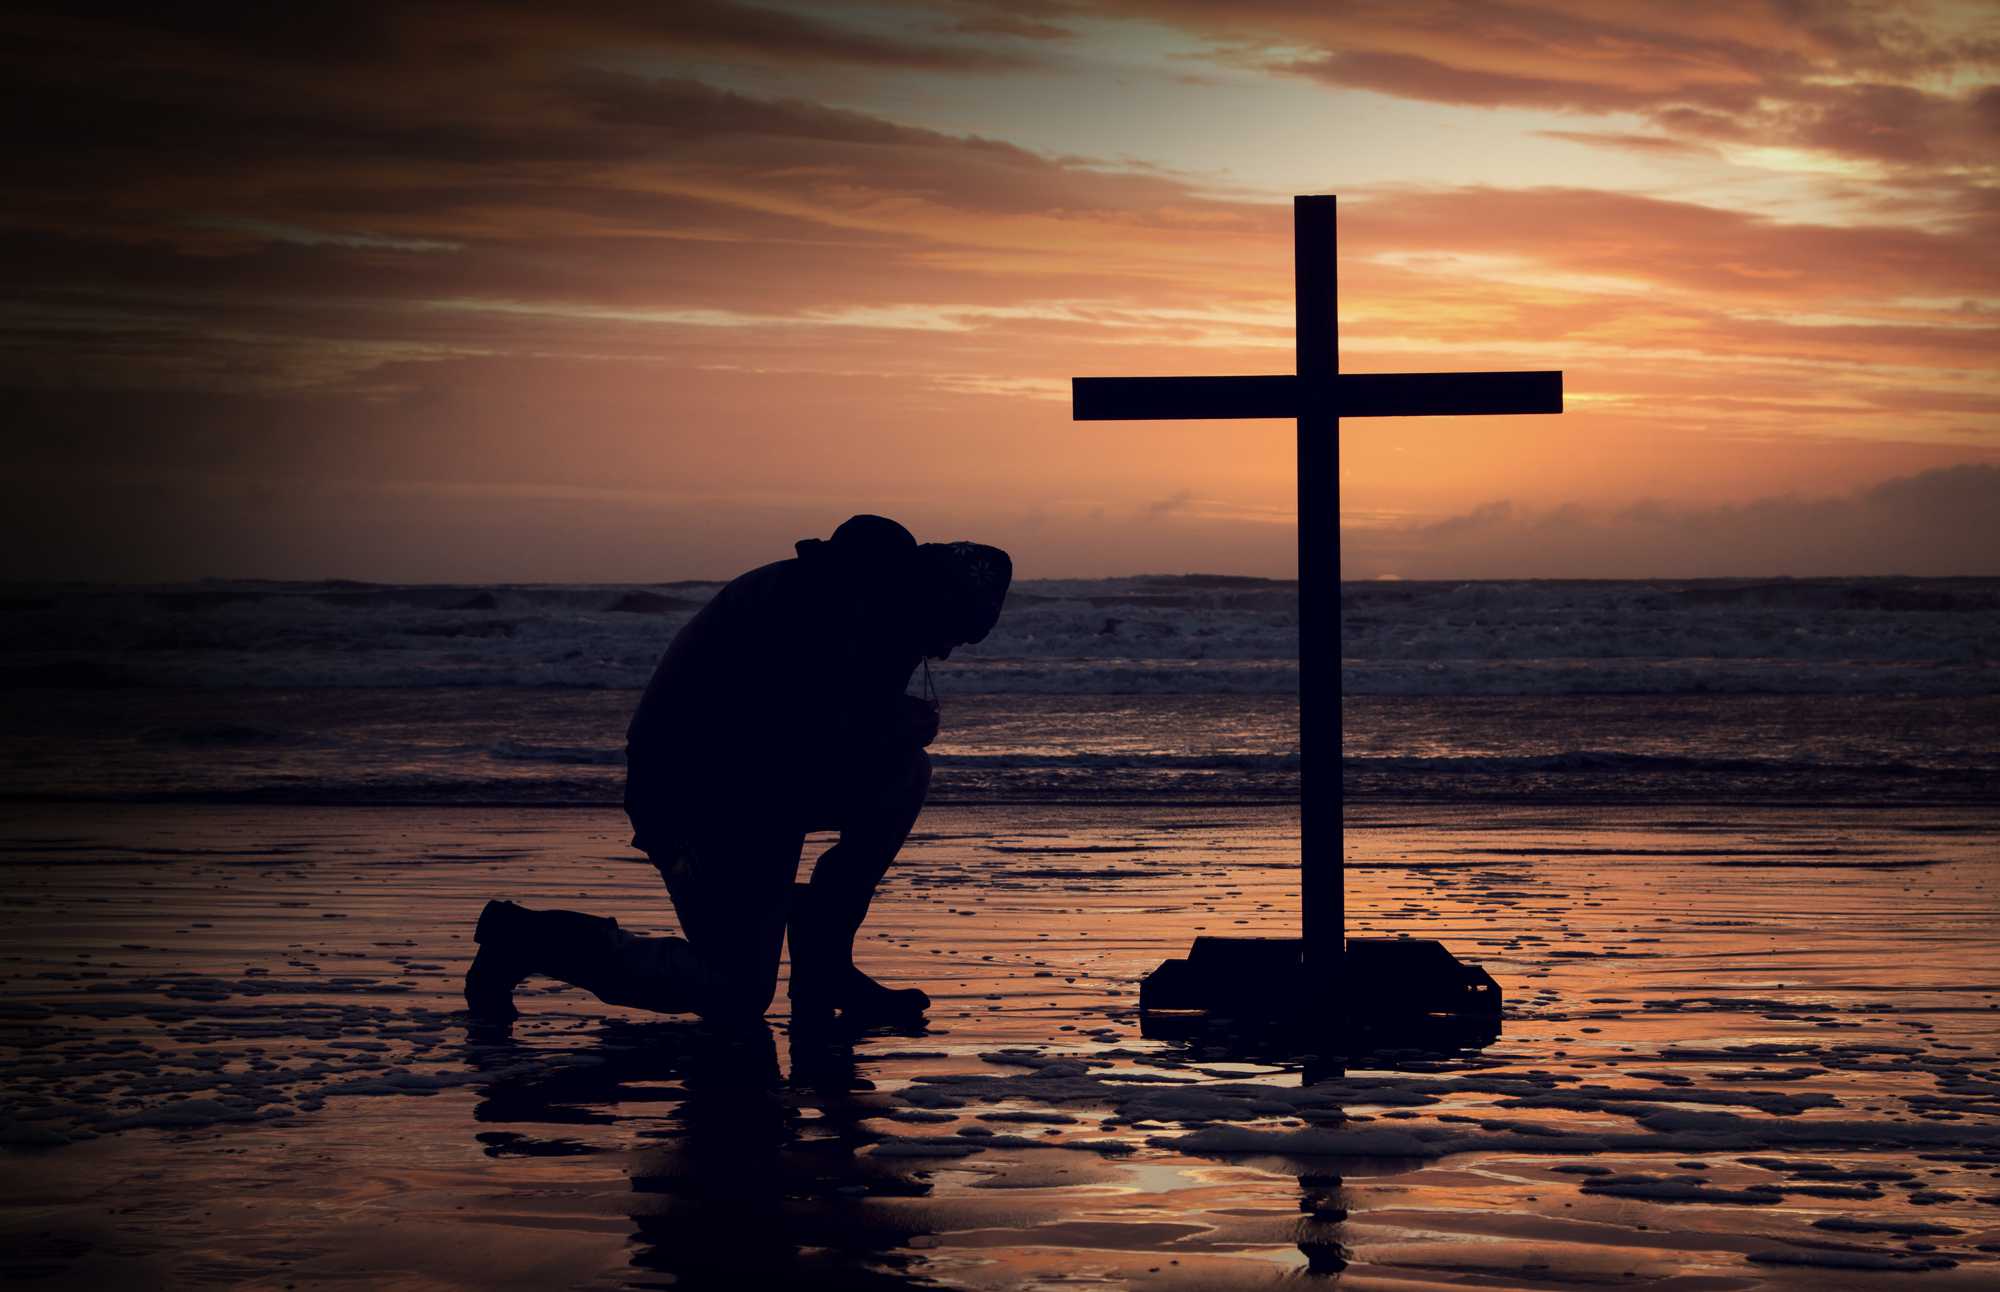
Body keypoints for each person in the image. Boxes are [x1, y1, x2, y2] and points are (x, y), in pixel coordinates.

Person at [464, 515, 1011, 1027]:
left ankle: (823, 969)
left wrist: (885, 729)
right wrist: (889, 726)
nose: (942, 652)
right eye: (949, 632)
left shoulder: (867, 606)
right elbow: (783, 732)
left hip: (761, 786)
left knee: (905, 774)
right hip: (695, 797)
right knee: (735, 991)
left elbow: (815, 736)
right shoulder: (818, 611)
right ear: (924, 599)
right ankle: (525, 938)